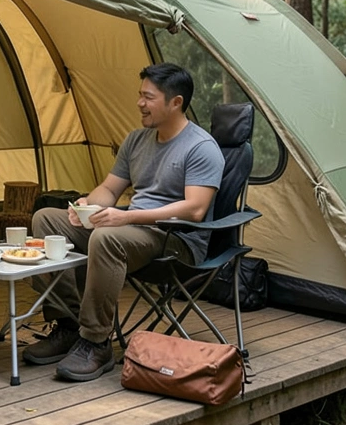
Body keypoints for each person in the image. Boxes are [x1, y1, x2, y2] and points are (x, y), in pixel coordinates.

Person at [25, 63, 224, 382]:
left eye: (148, 97)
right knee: (47, 220)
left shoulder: (201, 148)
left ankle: (95, 342)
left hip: (176, 240)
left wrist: (125, 215)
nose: (139, 104)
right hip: (131, 228)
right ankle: (66, 324)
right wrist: (88, 205)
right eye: (140, 95)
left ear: (176, 102)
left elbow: (195, 210)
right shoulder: (136, 140)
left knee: (105, 239)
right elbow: (110, 188)